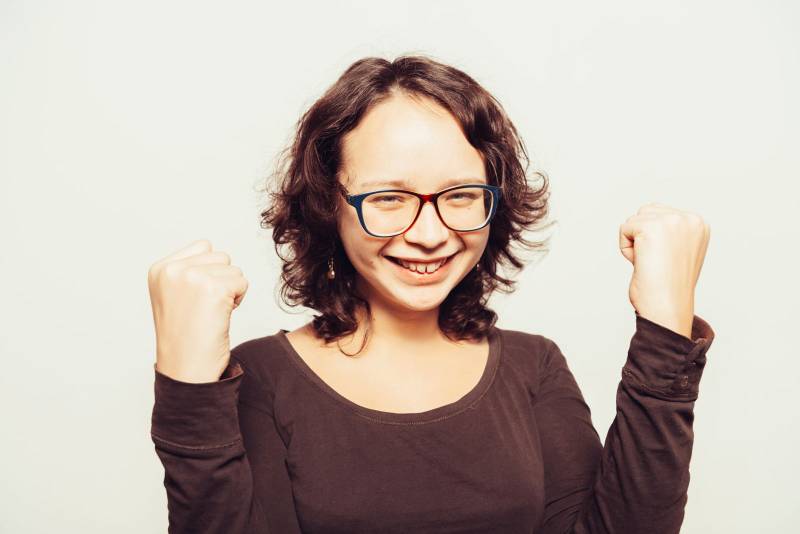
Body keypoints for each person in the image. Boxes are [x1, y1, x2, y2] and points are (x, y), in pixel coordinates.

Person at [147, 55, 715, 533]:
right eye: (389, 198)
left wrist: (665, 327)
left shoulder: (534, 366)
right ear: (327, 204)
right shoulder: (263, 379)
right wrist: (187, 388)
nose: (429, 233)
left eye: (460, 194)